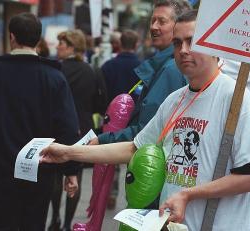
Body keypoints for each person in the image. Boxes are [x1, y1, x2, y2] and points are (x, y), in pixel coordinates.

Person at [41, 10, 250, 231]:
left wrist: (188, 194)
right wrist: (70, 152)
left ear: (213, 46)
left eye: (192, 41)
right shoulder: (175, 100)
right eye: (177, 43)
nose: (183, 50)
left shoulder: (235, 98)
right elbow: (134, 148)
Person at [0, 13, 80, 231]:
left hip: (2, 171)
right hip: (40, 170)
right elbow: (67, 126)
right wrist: (71, 170)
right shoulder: (54, 77)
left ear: (12, 37)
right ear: (38, 40)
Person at [91, 0, 191, 209]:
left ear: (179, 26)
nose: (153, 26)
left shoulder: (170, 70)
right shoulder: (163, 66)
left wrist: (101, 139)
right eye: (153, 20)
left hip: (152, 182)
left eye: (161, 21)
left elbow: (147, 134)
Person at [47, 29, 99, 231]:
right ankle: (68, 223)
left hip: (54, 128)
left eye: (61, 43)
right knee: (74, 175)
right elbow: (100, 102)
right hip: (82, 132)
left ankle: (54, 219)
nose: (57, 46)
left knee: (54, 175)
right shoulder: (92, 70)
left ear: (72, 47)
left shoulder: (56, 69)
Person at [101, 29, 141, 102]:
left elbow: (103, 91)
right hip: (134, 111)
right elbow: (140, 92)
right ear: (136, 45)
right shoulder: (143, 67)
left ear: (120, 44)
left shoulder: (107, 66)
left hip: (110, 109)